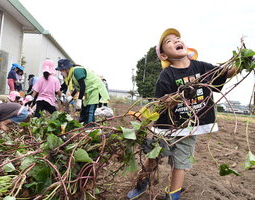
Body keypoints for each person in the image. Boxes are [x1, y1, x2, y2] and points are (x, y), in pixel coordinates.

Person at [126, 28, 239, 200]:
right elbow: (161, 102)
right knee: (154, 156)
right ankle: (142, 183)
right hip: (167, 128)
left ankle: (173, 195)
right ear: (164, 56)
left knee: (181, 163)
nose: (176, 40)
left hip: (188, 127)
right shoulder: (167, 74)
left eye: (178, 38)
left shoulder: (201, 67)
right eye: (169, 41)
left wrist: (241, 64)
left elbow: (223, 73)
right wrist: (180, 95)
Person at [56, 58, 110, 125]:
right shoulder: (70, 76)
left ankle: (90, 126)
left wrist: (79, 99)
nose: (61, 73)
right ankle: (85, 124)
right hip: (89, 91)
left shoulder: (77, 71)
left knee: (90, 110)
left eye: (62, 70)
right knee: (84, 110)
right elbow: (66, 86)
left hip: (95, 89)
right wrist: (57, 93)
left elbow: (82, 86)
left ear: (67, 68)